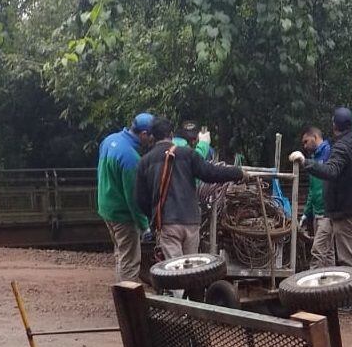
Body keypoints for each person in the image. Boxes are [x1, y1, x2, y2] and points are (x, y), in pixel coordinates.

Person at [289, 107, 352, 313]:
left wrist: (304, 162)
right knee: (342, 255)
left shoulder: (342, 146)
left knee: (350, 259)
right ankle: (345, 298)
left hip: (348, 211)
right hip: (350, 209)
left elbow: (332, 170)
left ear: (334, 125)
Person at [135, 117, 246, 259]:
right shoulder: (187, 154)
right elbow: (211, 173)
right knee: (190, 268)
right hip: (191, 221)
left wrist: (154, 217)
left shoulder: (145, 161)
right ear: (171, 134)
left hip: (167, 222)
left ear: (152, 136)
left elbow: (140, 198)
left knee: (173, 269)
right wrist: (239, 173)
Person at [97, 112, 154, 282]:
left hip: (106, 208)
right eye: (151, 136)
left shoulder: (109, 140)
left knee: (121, 253)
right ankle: (128, 303)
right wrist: (145, 226)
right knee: (130, 261)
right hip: (122, 215)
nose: (152, 140)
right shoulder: (130, 158)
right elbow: (133, 199)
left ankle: (120, 290)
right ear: (143, 134)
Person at [300, 126, 334, 268]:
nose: (305, 146)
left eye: (306, 141)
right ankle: (333, 288)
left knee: (317, 251)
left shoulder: (329, 153)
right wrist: (306, 214)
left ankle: (312, 288)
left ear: (315, 137)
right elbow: (312, 190)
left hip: (327, 212)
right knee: (329, 252)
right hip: (317, 213)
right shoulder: (314, 159)